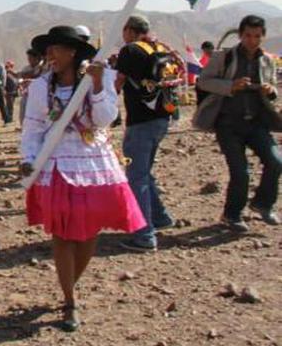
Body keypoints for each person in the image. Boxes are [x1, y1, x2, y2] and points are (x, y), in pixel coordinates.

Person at [20, 26, 145, 332]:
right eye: (47, 51)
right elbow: (33, 126)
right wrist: (27, 159)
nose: (49, 56)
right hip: (56, 163)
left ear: (72, 52)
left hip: (93, 163)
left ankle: (68, 287)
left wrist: (101, 85)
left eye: (55, 50)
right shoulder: (40, 87)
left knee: (89, 233)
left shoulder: (95, 80)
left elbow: (105, 119)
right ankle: (70, 300)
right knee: (62, 233)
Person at [194, 15, 282, 231]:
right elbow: (203, 81)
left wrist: (271, 91)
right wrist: (230, 86)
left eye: (257, 36)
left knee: (276, 161)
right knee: (240, 172)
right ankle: (232, 215)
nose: (252, 40)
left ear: (263, 36)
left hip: (256, 123)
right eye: (248, 36)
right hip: (228, 124)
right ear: (240, 35)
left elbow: (272, 85)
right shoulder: (224, 56)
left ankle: (262, 204)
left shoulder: (267, 60)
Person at [115, 15, 176, 252]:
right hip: (163, 116)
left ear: (128, 30)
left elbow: (118, 82)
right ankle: (160, 217)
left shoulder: (130, 50)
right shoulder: (160, 48)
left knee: (136, 177)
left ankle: (144, 235)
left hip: (140, 121)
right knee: (144, 173)